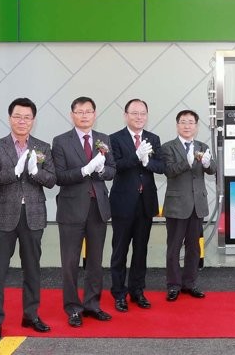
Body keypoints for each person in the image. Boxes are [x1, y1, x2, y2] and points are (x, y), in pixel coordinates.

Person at [0, 98, 56, 341]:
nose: (22, 121)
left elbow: (51, 179)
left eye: (27, 117)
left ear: (33, 120)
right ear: (9, 118)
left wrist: (35, 172)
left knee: (32, 268)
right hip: (2, 216)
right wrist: (13, 172)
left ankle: (31, 315)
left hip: (33, 215)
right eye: (17, 116)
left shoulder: (42, 147)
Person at [52, 96, 115, 327]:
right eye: (79, 112)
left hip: (98, 207)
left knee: (95, 261)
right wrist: (84, 170)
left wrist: (101, 171)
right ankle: (73, 308)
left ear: (95, 114)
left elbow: (112, 169)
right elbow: (59, 176)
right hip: (71, 209)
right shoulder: (61, 141)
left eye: (88, 111)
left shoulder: (103, 139)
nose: (84, 115)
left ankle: (92, 304)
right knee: (70, 262)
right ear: (72, 115)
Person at [109, 99, 164, 312]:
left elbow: (161, 166)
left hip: (145, 203)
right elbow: (114, 166)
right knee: (120, 250)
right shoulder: (115, 138)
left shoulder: (153, 138)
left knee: (141, 250)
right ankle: (119, 293)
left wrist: (147, 161)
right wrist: (136, 156)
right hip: (123, 203)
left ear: (147, 116)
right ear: (126, 115)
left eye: (143, 113)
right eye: (134, 113)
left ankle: (137, 291)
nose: (139, 117)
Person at [161, 109, 216, 302]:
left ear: (196, 126)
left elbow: (213, 169)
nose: (187, 126)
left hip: (197, 205)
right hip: (177, 205)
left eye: (191, 122)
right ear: (177, 125)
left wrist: (208, 164)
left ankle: (190, 283)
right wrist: (188, 162)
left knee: (194, 248)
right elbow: (169, 171)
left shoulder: (202, 146)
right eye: (183, 122)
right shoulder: (168, 147)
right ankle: (173, 285)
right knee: (174, 247)